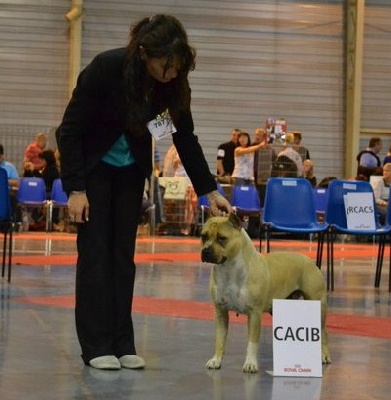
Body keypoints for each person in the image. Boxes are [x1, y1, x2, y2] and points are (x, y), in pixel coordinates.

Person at [56, 14, 232, 371]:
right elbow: (69, 131)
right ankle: (95, 346)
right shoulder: (105, 69)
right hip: (93, 173)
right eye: (164, 65)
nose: (171, 73)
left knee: (123, 258)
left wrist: (210, 193)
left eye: (177, 67)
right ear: (142, 54)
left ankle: (123, 343)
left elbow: (184, 137)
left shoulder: (172, 85)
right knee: (95, 257)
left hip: (130, 174)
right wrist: (75, 188)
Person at [0, 144, 20, 222]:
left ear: (2, 155)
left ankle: (10, 222)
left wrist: (4, 180)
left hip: (5, 194)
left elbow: (17, 182)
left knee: (12, 199)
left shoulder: (10, 167)